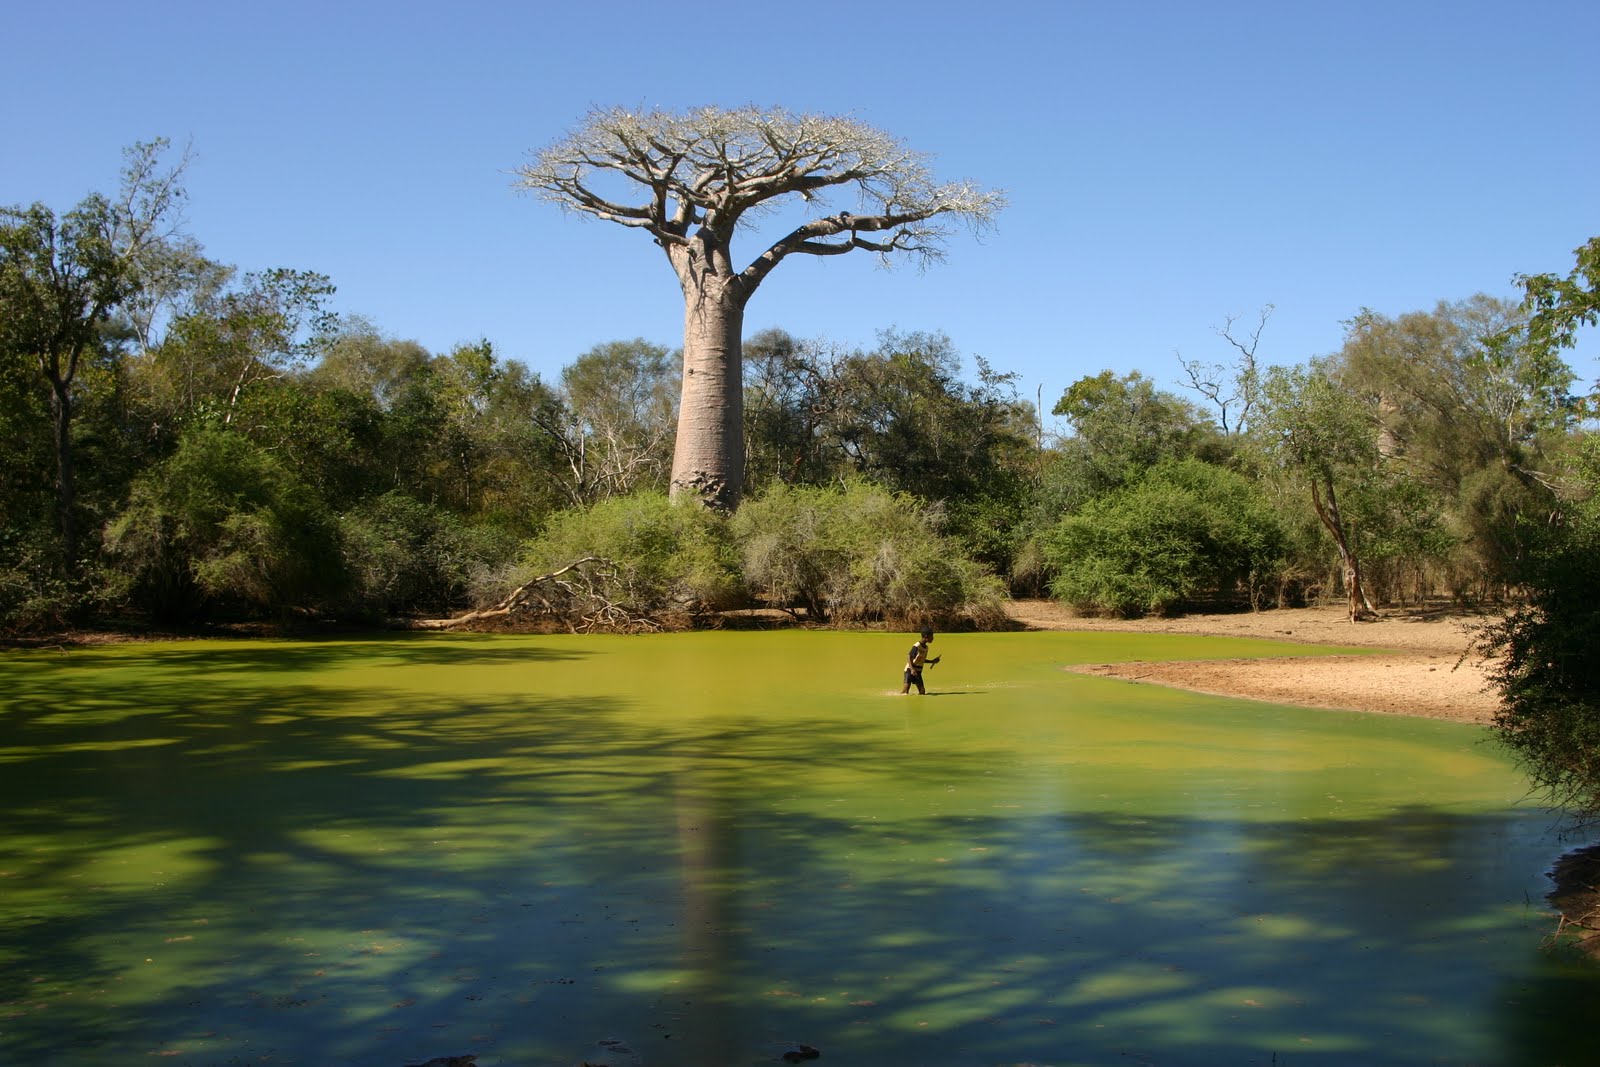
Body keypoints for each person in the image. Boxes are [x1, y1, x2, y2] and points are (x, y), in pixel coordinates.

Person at [901, 628, 941, 695]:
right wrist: (912, 669)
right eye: (932, 636)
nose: (933, 638)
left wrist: (932, 661)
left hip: (918, 671)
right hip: (909, 670)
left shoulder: (926, 648)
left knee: (922, 692)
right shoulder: (917, 646)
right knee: (905, 692)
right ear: (926, 636)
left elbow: (921, 660)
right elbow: (909, 657)